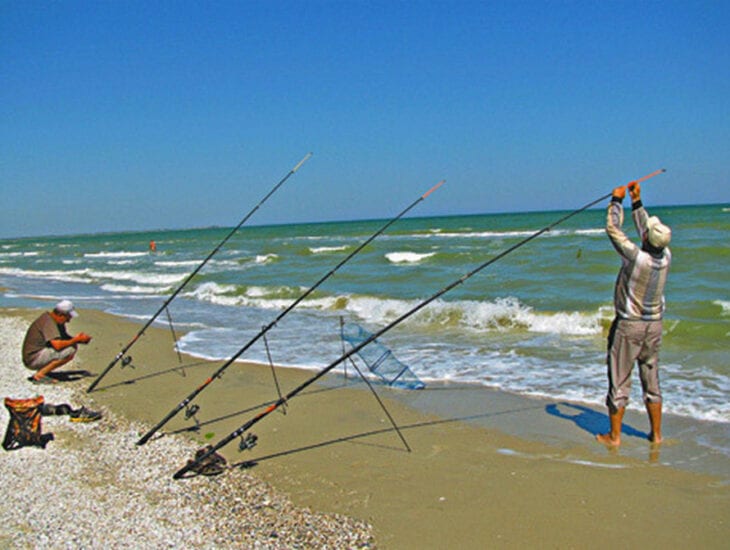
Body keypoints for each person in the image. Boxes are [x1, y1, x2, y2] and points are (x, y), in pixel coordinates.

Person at [597, 182, 672, 447]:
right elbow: (645, 232)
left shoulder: (635, 257)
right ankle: (657, 435)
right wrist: (637, 202)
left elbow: (613, 231)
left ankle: (614, 437)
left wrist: (616, 202)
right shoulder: (665, 257)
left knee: (619, 381)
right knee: (651, 380)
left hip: (629, 326)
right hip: (655, 326)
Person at [22, 300, 92, 384]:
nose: (68, 321)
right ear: (60, 315)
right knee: (71, 349)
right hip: (32, 359)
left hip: (35, 355)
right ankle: (39, 376)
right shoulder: (48, 322)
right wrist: (76, 340)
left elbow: (65, 338)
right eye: (67, 318)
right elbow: (57, 345)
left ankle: (43, 372)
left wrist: (80, 340)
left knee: (71, 345)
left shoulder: (54, 321)